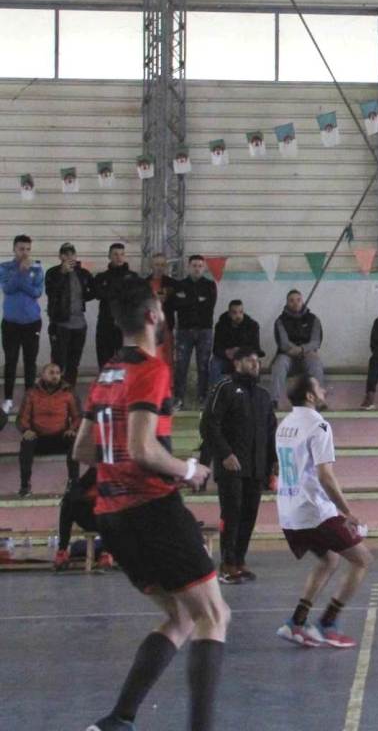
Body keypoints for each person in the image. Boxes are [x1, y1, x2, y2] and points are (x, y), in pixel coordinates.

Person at [72, 279, 227, 731]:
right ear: (153, 315)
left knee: (179, 616)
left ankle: (117, 720)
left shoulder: (107, 373)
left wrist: (122, 462)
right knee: (214, 615)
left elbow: (83, 449)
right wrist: (188, 470)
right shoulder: (153, 369)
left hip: (111, 514)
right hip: (151, 509)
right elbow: (142, 450)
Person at [274, 373, 374, 648]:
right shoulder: (318, 426)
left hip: (288, 510)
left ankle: (296, 622)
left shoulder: (284, 424)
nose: (323, 389)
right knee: (362, 559)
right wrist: (346, 512)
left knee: (329, 560)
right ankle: (328, 623)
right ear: (310, 396)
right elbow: (325, 476)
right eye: (318, 386)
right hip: (312, 511)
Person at [201, 346, 277, 584]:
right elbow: (208, 425)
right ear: (237, 364)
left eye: (257, 360)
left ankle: (240, 560)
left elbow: (271, 431)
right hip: (231, 467)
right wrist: (224, 454)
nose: (255, 364)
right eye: (249, 360)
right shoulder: (224, 388)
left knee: (249, 514)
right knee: (231, 513)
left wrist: (273, 462)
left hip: (255, 468)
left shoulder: (263, 396)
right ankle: (227, 563)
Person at [15, 362, 80, 497]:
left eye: (57, 373)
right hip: (38, 438)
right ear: (43, 375)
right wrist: (26, 430)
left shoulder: (68, 393)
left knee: (75, 441)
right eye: (51, 373)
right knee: (26, 442)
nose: (55, 376)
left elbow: (77, 416)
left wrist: (73, 429)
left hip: (60, 437)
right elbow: (22, 417)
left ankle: (74, 483)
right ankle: (25, 485)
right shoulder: (31, 393)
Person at [0, 234, 44, 414]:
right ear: (14, 249)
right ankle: (8, 399)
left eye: (27, 249)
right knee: (10, 361)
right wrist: (20, 272)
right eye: (21, 249)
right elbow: (8, 288)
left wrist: (24, 275)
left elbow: (36, 292)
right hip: (11, 323)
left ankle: (29, 399)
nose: (24, 253)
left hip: (32, 323)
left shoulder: (37, 268)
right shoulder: (5, 267)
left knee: (30, 361)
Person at [45, 242, 95, 387]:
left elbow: (93, 291)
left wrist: (85, 296)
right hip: (60, 323)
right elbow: (51, 292)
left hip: (80, 324)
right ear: (60, 256)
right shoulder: (53, 272)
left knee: (74, 362)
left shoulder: (82, 273)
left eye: (72, 253)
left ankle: (69, 391)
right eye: (66, 254)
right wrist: (62, 273)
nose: (69, 257)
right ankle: (55, 391)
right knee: (58, 362)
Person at [173, 254, 217, 410]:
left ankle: (203, 398)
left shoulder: (210, 285)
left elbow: (208, 306)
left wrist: (187, 300)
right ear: (188, 267)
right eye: (194, 265)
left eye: (200, 265)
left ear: (204, 268)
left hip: (204, 331)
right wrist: (197, 300)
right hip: (184, 331)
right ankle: (178, 398)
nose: (197, 268)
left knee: (203, 366)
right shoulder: (179, 285)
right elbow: (176, 305)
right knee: (181, 366)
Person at [53, 466, 114, 571]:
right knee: (68, 503)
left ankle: (106, 551)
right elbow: (74, 494)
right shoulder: (95, 472)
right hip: (93, 517)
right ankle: (62, 551)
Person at [272, 290, 325, 408]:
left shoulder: (313, 319)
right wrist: (296, 350)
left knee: (315, 363)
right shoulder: (280, 321)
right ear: (287, 303)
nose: (295, 303)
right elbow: (284, 343)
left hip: (307, 355)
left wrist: (301, 349)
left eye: (298, 300)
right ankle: (274, 400)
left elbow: (316, 342)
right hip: (287, 355)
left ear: (303, 301)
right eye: (291, 300)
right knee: (279, 364)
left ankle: (319, 401)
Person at [93, 242, 140, 369]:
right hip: (105, 325)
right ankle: (105, 389)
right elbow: (98, 293)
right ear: (109, 256)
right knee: (105, 363)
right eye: (115, 254)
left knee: (125, 364)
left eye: (122, 254)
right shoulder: (101, 277)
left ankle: (123, 389)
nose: (119, 257)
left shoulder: (133, 277)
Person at [211, 299, 261, 387]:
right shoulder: (221, 325)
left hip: (244, 358)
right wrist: (226, 352)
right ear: (229, 313)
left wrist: (240, 351)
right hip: (226, 359)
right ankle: (216, 392)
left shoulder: (252, 326)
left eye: (240, 312)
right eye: (234, 313)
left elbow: (256, 348)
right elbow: (216, 349)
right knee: (214, 363)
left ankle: (249, 393)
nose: (238, 315)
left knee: (253, 363)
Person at [145, 253, 177, 374]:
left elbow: (178, 303)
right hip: (150, 327)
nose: (159, 267)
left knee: (168, 357)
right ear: (151, 266)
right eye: (157, 264)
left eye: (162, 265)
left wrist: (168, 299)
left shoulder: (172, 284)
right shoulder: (144, 283)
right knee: (151, 357)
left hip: (166, 326)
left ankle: (168, 386)